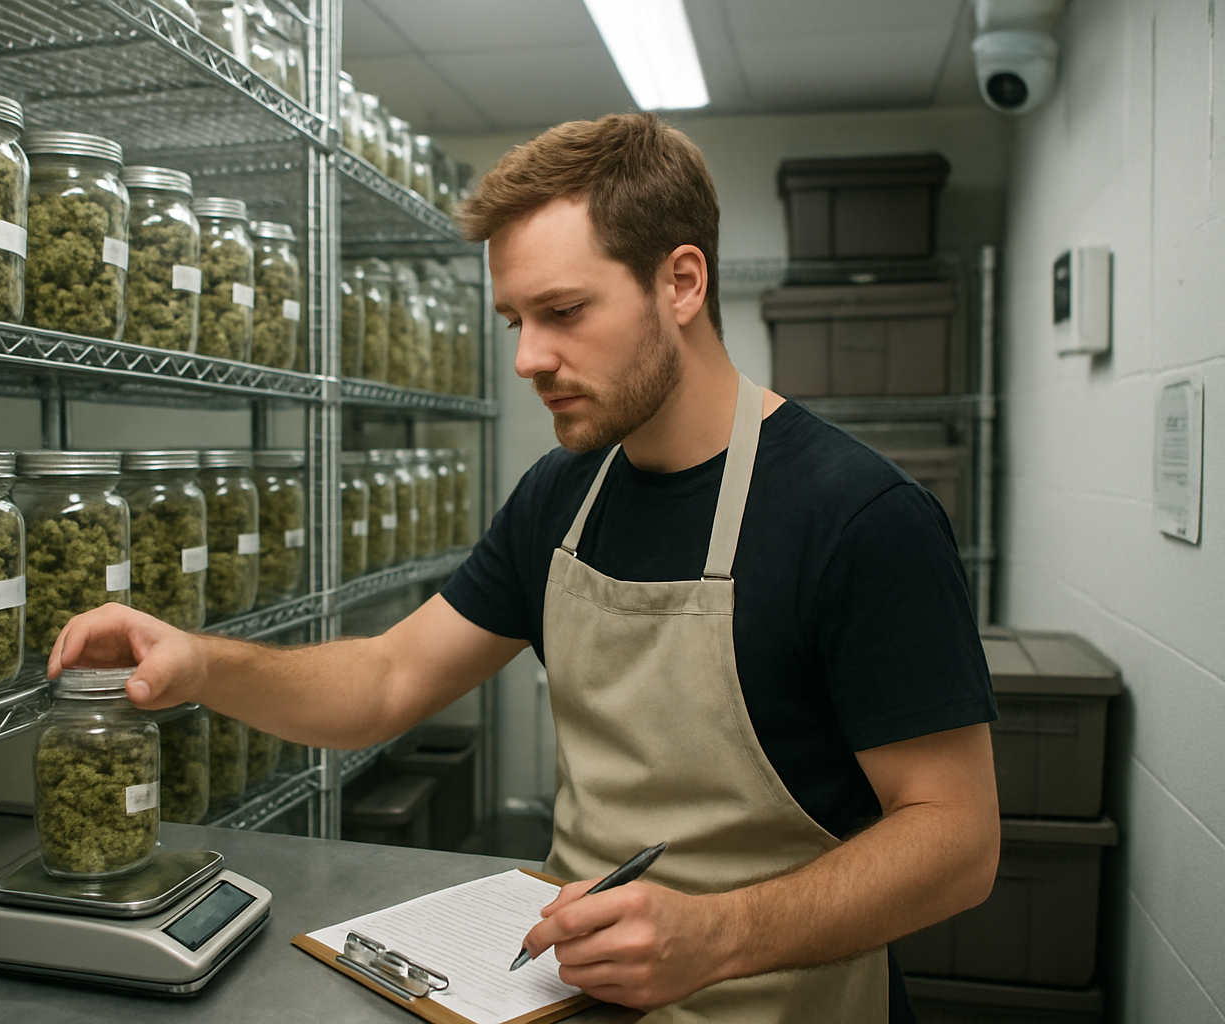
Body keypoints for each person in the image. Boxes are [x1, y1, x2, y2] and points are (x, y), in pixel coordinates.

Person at [50, 112, 1000, 1023]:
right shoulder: (564, 496)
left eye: (564, 311)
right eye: (515, 320)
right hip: (569, 993)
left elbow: (958, 841)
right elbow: (386, 680)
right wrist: (204, 664)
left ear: (681, 283)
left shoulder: (860, 517)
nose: (529, 358)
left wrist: (718, 933)